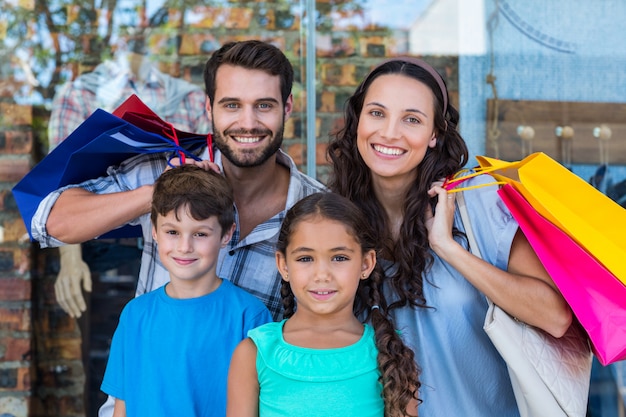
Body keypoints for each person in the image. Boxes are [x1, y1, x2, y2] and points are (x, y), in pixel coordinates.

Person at [31, 40, 325, 417]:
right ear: (209, 108)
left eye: (263, 106)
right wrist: (157, 195)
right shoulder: (167, 169)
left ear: (287, 109)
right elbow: (50, 220)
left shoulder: (315, 213)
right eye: (232, 105)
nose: (248, 122)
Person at [326, 57, 572, 416]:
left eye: (412, 119)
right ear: (358, 121)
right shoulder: (339, 217)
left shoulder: (479, 201)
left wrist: (448, 247)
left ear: (435, 134)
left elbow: (555, 316)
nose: (390, 132)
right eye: (377, 113)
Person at [49, 36, 211, 318]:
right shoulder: (78, 96)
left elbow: (211, 181)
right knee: (107, 347)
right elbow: (61, 181)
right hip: (101, 245)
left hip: (177, 247)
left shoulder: (190, 99)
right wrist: (70, 258)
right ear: (114, 46)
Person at [226, 192, 419, 417]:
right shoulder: (254, 353)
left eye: (339, 258)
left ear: (366, 263)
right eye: (305, 259)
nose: (322, 275)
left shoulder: (389, 353)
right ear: (283, 265)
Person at [101, 164, 271, 417]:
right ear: (155, 231)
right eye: (172, 232)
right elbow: (122, 405)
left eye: (200, 234)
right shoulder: (135, 315)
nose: (184, 247)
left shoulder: (250, 316)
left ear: (226, 234)